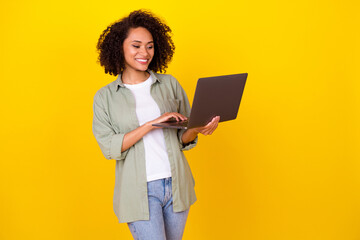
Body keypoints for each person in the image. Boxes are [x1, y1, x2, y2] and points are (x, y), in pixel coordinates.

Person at [92, 9, 220, 240]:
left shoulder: (169, 84)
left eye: (150, 46)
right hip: (139, 191)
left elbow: (182, 138)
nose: (144, 52)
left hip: (176, 184)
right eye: (136, 46)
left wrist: (196, 128)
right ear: (119, 47)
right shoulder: (105, 97)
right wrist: (151, 124)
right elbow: (110, 147)